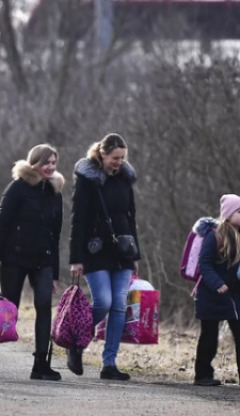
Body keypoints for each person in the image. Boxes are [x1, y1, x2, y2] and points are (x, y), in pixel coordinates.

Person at [0, 144, 65, 381]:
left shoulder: (56, 193)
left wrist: (54, 273)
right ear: (34, 163)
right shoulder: (17, 188)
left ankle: (40, 365)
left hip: (43, 260)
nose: (51, 167)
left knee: (44, 306)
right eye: (47, 162)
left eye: (54, 163)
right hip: (15, 257)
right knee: (8, 310)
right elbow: (1, 225)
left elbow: (55, 236)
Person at [69, 133, 140, 381]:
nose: (119, 162)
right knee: (104, 302)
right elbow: (77, 220)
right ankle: (76, 341)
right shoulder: (88, 180)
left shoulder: (125, 179)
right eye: (114, 158)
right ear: (102, 153)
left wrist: (136, 254)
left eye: (122, 158)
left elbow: (131, 218)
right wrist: (75, 258)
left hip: (122, 251)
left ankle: (109, 364)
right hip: (94, 250)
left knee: (119, 306)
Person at [192, 194, 240, 387]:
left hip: (235, 295)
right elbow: (204, 263)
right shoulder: (215, 235)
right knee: (209, 336)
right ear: (228, 214)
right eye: (239, 211)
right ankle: (202, 375)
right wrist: (216, 283)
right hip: (211, 294)